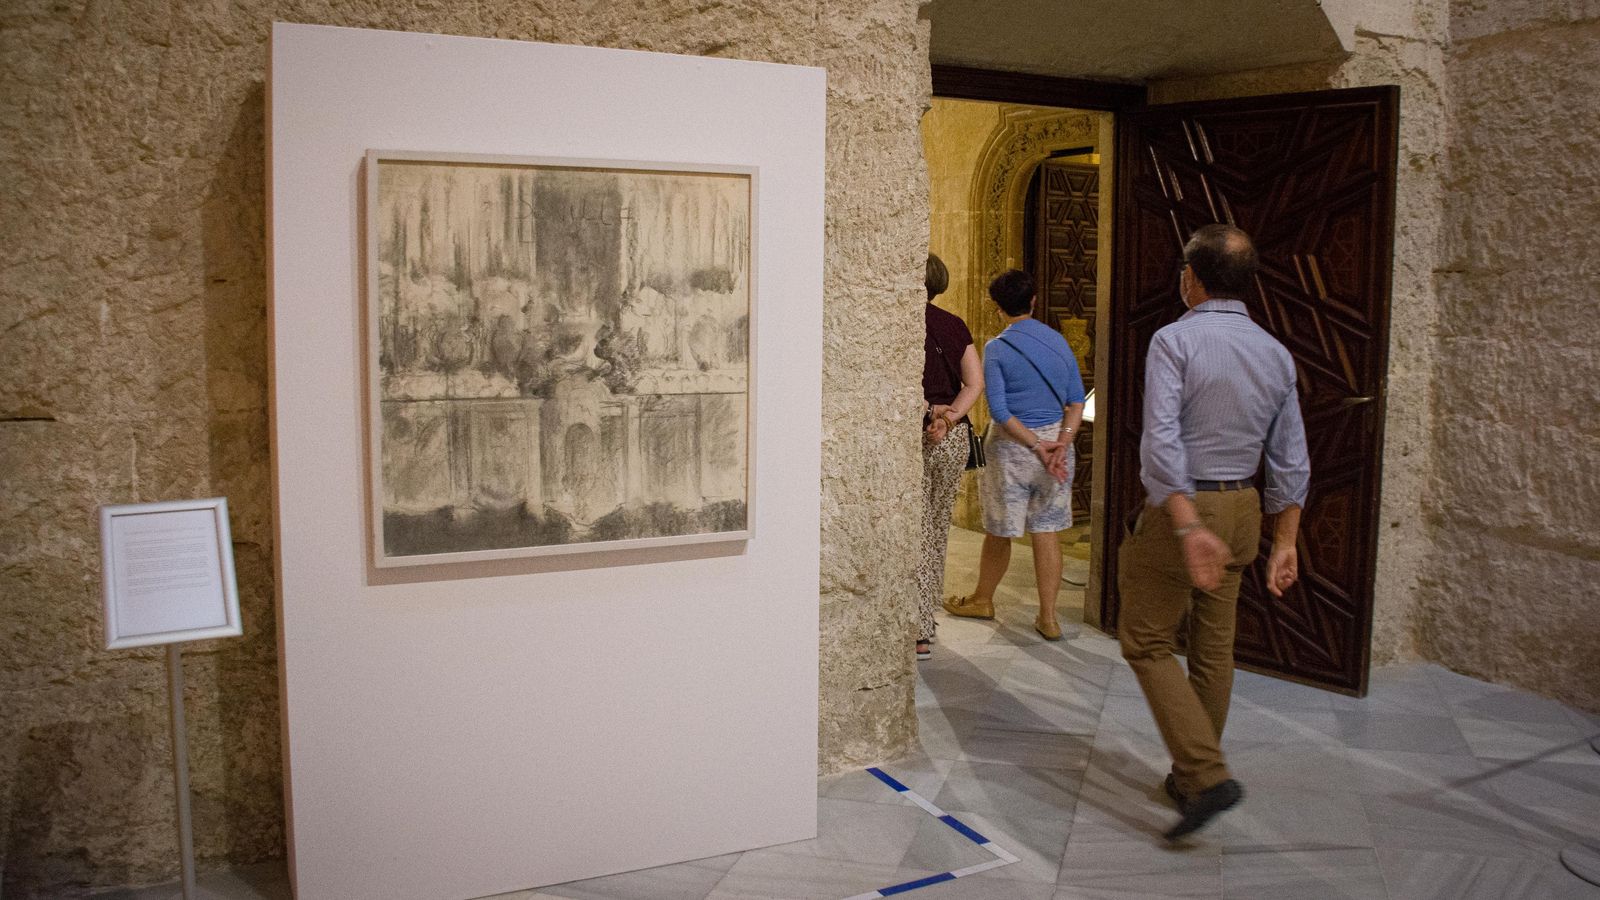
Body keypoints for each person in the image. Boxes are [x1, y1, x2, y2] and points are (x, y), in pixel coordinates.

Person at [1117, 224, 1309, 841]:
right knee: (1213, 647)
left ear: (1193, 279)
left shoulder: (1175, 341)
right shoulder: (1275, 353)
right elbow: (1291, 456)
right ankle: (1191, 774)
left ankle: (1205, 774)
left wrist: (1186, 523)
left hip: (1188, 508)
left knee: (1145, 641)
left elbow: (1162, 439)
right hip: (1246, 508)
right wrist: (1286, 540)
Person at [943, 269, 1085, 641]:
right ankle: (1049, 617)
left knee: (999, 531)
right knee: (1047, 530)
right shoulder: (1058, 341)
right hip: (1056, 447)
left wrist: (1036, 447)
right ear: (1034, 300)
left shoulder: (998, 348)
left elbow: (1000, 411)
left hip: (1012, 449)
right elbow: (1075, 401)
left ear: (996, 306)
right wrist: (1060, 443)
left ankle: (982, 599)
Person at [917, 254, 984, 661]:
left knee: (916, 530)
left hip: (919, 434)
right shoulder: (954, 324)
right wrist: (951, 415)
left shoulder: (904, 323)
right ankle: (927, 616)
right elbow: (974, 382)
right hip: (953, 436)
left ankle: (918, 626)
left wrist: (931, 415)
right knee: (937, 528)